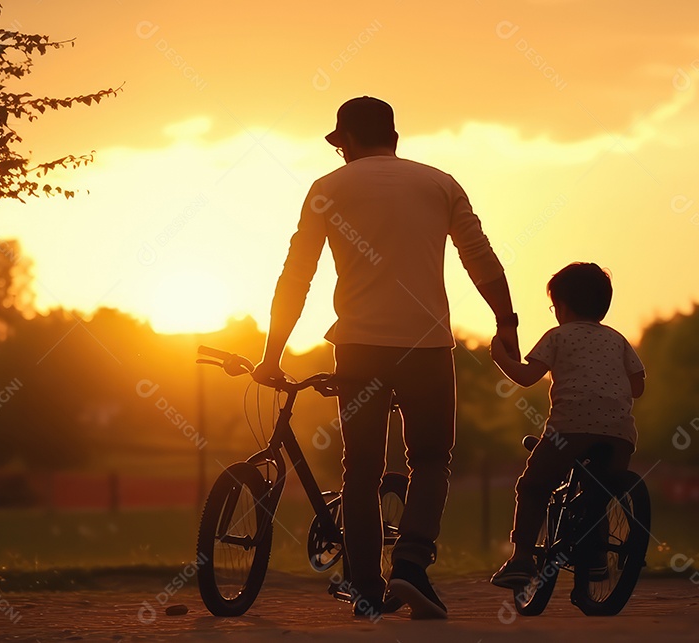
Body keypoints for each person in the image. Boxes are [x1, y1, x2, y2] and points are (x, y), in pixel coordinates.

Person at [253, 96, 519, 619]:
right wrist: (505, 323)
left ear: (346, 141)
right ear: (393, 136)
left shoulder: (327, 189)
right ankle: (412, 564)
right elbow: (480, 258)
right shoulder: (440, 183)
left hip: (359, 348)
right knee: (430, 459)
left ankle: (368, 587)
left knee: (362, 471)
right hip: (427, 344)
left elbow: (297, 275)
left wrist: (272, 352)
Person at [488, 262, 646, 589]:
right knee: (597, 493)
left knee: (533, 487)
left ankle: (521, 560)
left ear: (561, 306)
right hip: (619, 434)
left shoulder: (557, 337)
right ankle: (597, 559)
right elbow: (638, 387)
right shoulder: (617, 340)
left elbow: (526, 377)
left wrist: (500, 357)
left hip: (568, 430)